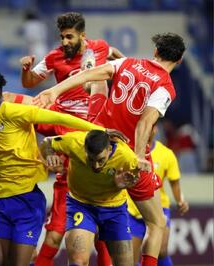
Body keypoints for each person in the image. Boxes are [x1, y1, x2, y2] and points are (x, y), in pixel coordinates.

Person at [0, 69, 124, 266]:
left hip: (26, 200)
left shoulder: (14, 111)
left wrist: (100, 130)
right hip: (1, 200)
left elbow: (58, 117)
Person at [34, 32, 186, 266]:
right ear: (180, 60)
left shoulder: (129, 62)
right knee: (157, 224)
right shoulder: (166, 88)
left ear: (155, 51)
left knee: (97, 85)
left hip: (98, 135)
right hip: (126, 154)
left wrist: (55, 91)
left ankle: (91, 58)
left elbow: (93, 74)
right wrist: (136, 155)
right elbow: (145, 121)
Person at [20, 12, 124, 265]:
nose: (65, 42)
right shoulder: (54, 57)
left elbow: (116, 56)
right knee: (21, 110)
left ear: (82, 36)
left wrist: (123, 70)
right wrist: (25, 69)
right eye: (62, 37)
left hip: (92, 124)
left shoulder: (98, 48)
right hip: (63, 120)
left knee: (102, 233)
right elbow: (30, 82)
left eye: (69, 37)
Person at [40, 129, 141, 265]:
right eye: (90, 159)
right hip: (81, 205)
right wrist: (49, 155)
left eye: (100, 160)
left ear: (109, 148)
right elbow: (47, 142)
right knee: (78, 261)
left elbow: (138, 180)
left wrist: (121, 185)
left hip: (114, 209)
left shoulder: (126, 157)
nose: (96, 165)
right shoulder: (74, 142)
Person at [127, 126, 189, 266]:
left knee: (161, 251)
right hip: (133, 210)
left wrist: (180, 200)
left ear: (155, 130)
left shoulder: (166, 154)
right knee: (131, 259)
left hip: (158, 209)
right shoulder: (129, 151)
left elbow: (174, 182)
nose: (146, 131)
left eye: (150, 127)